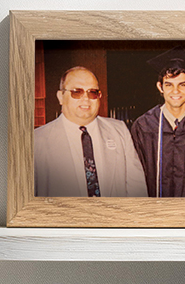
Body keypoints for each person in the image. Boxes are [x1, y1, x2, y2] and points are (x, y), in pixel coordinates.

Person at [35, 66, 148, 197]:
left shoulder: (120, 131)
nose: (86, 98)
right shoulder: (37, 141)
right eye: (77, 92)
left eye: (92, 92)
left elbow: (137, 188)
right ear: (60, 97)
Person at [131, 46, 185, 198]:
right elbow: (134, 178)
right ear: (160, 87)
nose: (175, 91)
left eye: (182, 85)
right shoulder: (143, 126)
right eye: (169, 85)